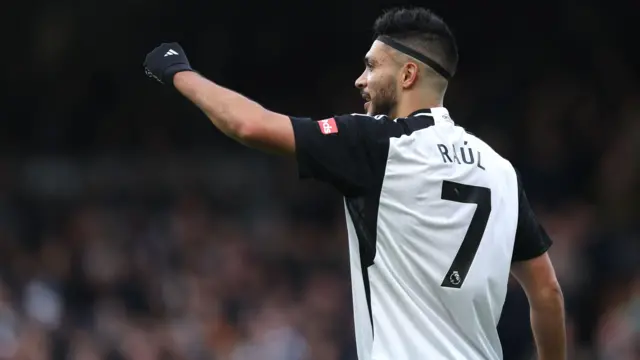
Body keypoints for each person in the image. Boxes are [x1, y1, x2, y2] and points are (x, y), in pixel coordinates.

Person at [143, 7, 566, 360]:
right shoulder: (500, 170)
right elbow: (546, 291)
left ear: (408, 75)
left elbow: (248, 125)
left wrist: (178, 71)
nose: (360, 80)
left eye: (371, 65)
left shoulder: (380, 144)